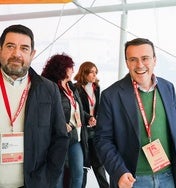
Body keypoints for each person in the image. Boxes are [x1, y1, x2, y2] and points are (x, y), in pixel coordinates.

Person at [94, 37, 176, 188]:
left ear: (154, 60)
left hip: (168, 177)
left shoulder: (168, 88)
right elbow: (103, 140)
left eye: (145, 58)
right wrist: (119, 171)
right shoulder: (111, 95)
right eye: (133, 59)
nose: (140, 65)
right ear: (127, 62)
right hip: (133, 180)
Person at [0, 24, 69, 187]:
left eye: (24, 48)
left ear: (32, 54)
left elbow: (60, 138)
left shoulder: (48, 89)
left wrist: (47, 179)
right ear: (0, 49)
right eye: (10, 46)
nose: (16, 54)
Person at [41, 53, 89, 188]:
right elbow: (44, 113)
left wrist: (88, 117)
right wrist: (59, 124)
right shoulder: (50, 87)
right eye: (70, 67)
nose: (73, 70)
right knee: (58, 175)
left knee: (78, 173)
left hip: (75, 138)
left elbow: (77, 110)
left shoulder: (72, 87)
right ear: (62, 68)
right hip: (58, 139)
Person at [74, 61, 109, 188]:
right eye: (92, 72)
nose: (94, 75)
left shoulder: (97, 88)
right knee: (83, 164)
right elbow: (76, 108)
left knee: (99, 163)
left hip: (94, 129)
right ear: (84, 72)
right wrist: (88, 117)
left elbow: (98, 107)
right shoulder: (76, 88)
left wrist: (96, 119)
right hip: (82, 129)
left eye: (95, 72)